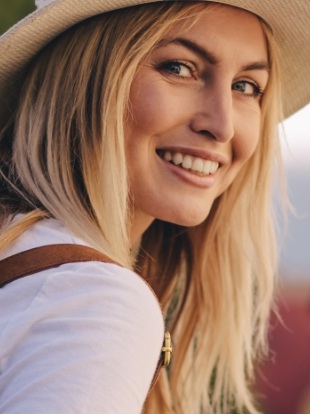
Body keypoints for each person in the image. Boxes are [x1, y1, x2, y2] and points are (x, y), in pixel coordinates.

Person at [0, 0, 309, 413]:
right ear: (84, 78)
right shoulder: (93, 303)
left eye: (246, 87)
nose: (222, 125)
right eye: (179, 68)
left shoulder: (25, 259)